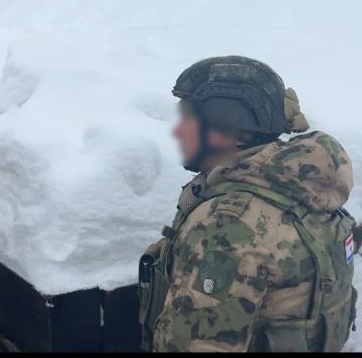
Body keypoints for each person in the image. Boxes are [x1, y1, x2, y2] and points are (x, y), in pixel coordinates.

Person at [139, 56, 357, 352]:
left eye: (186, 118)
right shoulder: (298, 186)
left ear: (225, 126)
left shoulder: (227, 227)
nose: (177, 131)